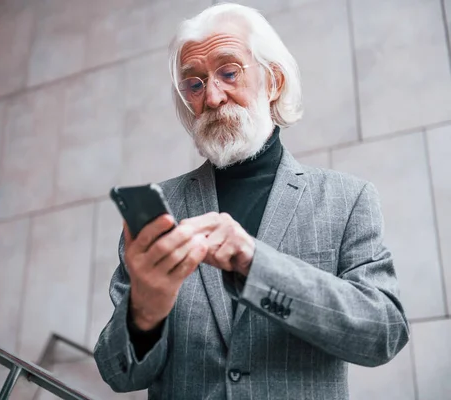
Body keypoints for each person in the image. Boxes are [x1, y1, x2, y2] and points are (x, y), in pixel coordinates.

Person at [93, 3, 409, 399]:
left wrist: (256, 265)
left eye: (228, 73)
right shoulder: (161, 211)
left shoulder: (347, 199)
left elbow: (383, 332)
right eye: (194, 83)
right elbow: (117, 373)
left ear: (274, 81)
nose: (212, 96)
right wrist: (145, 311)